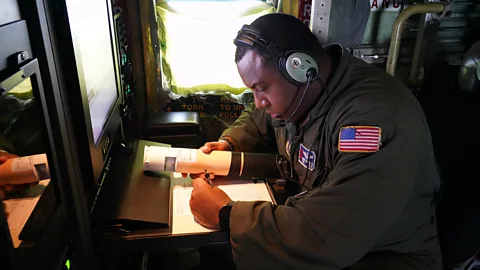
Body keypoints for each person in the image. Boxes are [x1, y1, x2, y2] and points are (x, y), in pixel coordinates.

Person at [189, 13, 443, 270]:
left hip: (383, 256)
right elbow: (256, 118)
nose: (258, 101)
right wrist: (229, 143)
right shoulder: (299, 94)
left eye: (262, 88)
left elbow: (331, 232)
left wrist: (226, 214)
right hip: (327, 238)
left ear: (298, 67)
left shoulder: (375, 119)